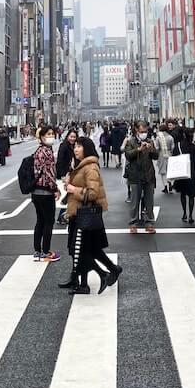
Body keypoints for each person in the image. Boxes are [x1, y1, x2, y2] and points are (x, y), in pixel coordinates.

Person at [60, 136, 121, 295]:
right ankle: (82, 281)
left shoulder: (90, 167)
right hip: (77, 213)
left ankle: (103, 274)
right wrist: (69, 185)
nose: (76, 149)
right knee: (85, 250)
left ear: (86, 149)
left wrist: (74, 190)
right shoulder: (80, 166)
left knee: (80, 251)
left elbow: (93, 193)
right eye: (75, 146)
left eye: (79, 146)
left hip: (85, 215)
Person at [32, 125, 61, 262]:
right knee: (49, 221)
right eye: (48, 134)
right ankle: (46, 251)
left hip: (35, 191)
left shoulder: (38, 151)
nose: (51, 136)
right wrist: (55, 188)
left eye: (52, 134)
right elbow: (49, 174)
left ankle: (37, 251)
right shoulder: (47, 152)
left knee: (40, 221)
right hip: (45, 192)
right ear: (42, 137)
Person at [124, 122, 159, 234]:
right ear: (136, 131)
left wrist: (151, 149)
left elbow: (156, 156)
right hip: (135, 176)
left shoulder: (150, 141)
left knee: (149, 201)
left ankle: (149, 223)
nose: (144, 134)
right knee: (134, 201)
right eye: (142, 131)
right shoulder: (131, 142)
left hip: (148, 175)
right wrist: (138, 149)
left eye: (145, 131)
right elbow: (128, 155)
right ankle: (133, 223)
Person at [171, 126, 195, 224]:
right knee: (191, 196)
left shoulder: (178, 146)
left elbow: (174, 158)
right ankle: (191, 215)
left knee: (183, 194)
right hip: (192, 174)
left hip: (182, 174)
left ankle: (184, 213)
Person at [55, 128, 78, 227]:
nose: (72, 138)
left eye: (74, 137)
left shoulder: (74, 146)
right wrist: (63, 175)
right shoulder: (64, 146)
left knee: (69, 196)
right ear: (67, 136)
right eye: (71, 136)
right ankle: (62, 216)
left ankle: (65, 216)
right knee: (67, 196)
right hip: (65, 175)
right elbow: (60, 161)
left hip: (71, 174)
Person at [155, 123, 175, 194]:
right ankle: (171, 184)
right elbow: (173, 147)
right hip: (169, 154)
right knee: (170, 171)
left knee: (163, 172)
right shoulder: (170, 137)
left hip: (161, 155)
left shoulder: (158, 138)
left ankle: (165, 187)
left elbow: (157, 148)